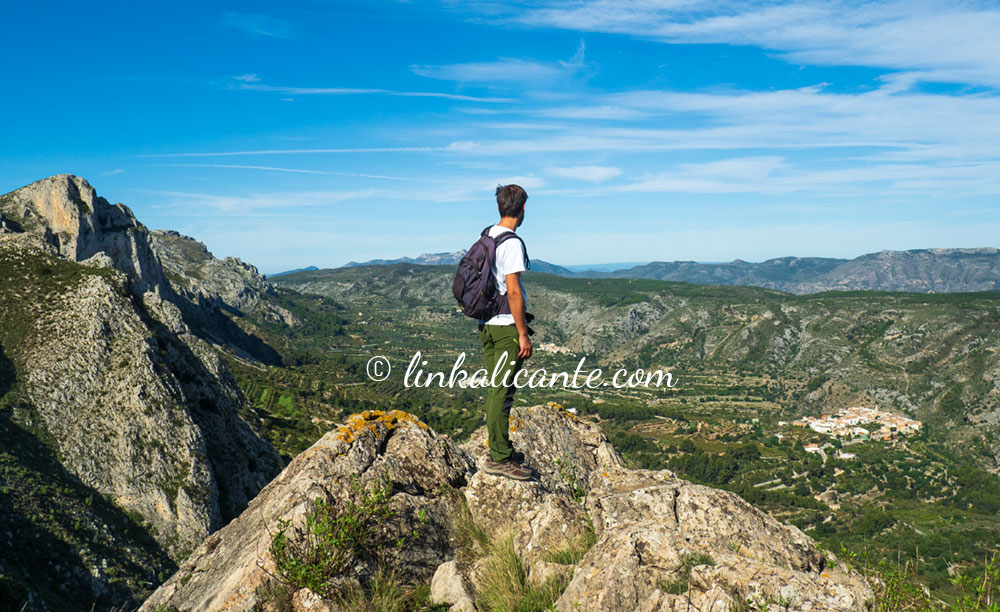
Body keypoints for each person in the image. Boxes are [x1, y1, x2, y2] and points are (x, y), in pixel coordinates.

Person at [479, 184, 534, 481]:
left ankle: (500, 447)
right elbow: (513, 292)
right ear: (522, 209)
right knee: (502, 393)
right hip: (505, 329)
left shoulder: (487, 235)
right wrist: (522, 334)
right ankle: (499, 458)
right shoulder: (511, 243)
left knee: (495, 389)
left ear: (500, 207)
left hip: (486, 326)